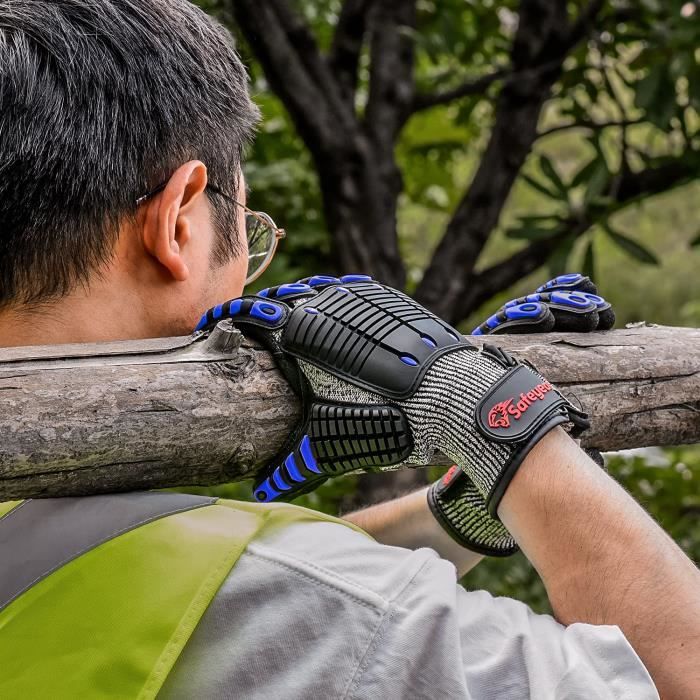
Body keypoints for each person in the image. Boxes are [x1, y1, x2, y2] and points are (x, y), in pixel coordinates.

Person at [0, 2, 697, 698]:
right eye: (247, 229)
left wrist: (467, 511)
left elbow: (268, 604)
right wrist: (511, 430)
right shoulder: (328, 611)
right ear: (179, 223)